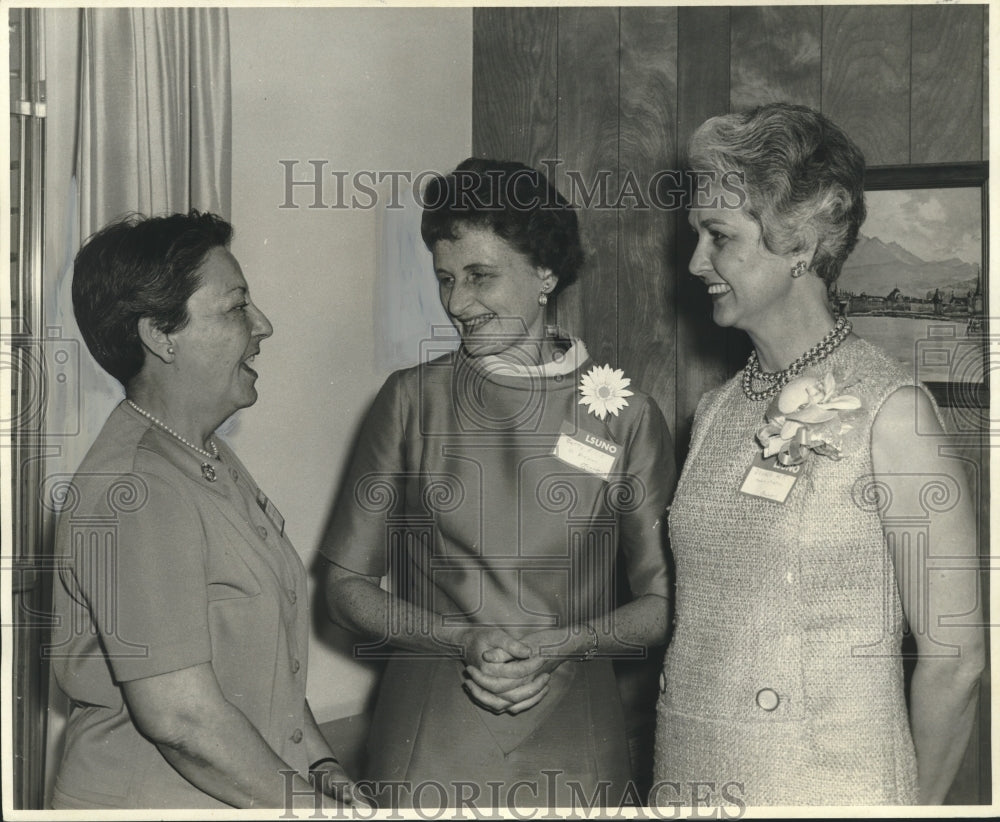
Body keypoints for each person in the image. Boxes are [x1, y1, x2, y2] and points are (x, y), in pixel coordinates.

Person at [654, 103, 985, 806]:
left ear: (798, 239)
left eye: (717, 236)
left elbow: (956, 661)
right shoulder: (714, 413)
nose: (694, 263)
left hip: (828, 783)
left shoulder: (894, 414)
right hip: (689, 774)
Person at [321, 158, 675, 809]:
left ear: (545, 273)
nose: (457, 304)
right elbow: (344, 589)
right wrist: (458, 638)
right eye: (446, 280)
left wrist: (567, 643)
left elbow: (661, 606)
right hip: (431, 738)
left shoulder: (623, 413)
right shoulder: (410, 401)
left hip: (577, 743)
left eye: (480, 277)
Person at [49, 211, 366, 809]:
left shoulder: (203, 457)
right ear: (160, 335)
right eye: (236, 307)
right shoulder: (136, 490)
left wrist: (322, 765)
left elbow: (255, 664)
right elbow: (184, 721)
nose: (264, 325)